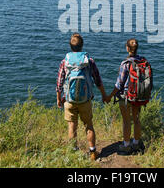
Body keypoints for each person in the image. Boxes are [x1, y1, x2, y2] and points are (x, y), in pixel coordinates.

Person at [56, 33, 107, 161]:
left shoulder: (65, 62)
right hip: (85, 100)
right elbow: (98, 80)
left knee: (72, 125)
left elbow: (59, 83)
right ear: (82, 46)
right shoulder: (89, 61)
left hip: (69, 100)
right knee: (89, 125)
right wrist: (104, 95)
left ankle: (73, 152)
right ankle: (93, 152)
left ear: (70, 46)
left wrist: (59, 98)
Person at [105, 38, 152, 155]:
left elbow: (119, 84)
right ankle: (136, 143)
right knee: (136, 119)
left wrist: (110, 96)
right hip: (139, 95)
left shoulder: (125, 63)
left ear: (127, 48)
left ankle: (126, 146)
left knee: (126, 121)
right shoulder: (143, 61)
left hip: (126, 96)